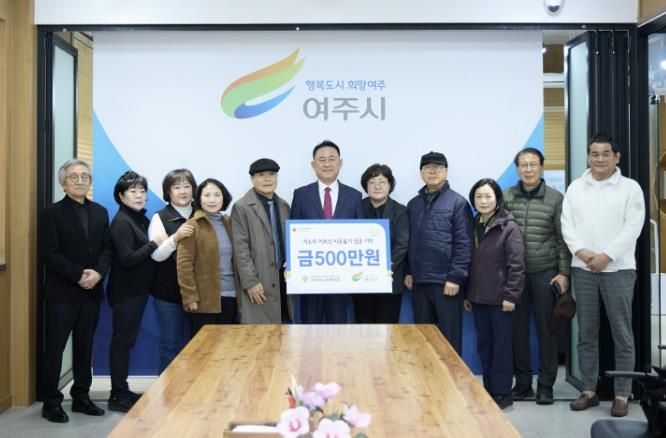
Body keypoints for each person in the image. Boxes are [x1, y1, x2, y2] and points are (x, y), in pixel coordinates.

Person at [561, 134, 645, 417]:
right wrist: (584, 254)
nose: (599, 159)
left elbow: (633, 228)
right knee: (586, 333)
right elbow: (567, 225)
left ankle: (622, 393)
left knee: (622, 333)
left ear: (616, 157)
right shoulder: (576, 188)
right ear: (588, 157)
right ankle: (589, 391)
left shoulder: (630, 188)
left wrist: (606, 256)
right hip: (583, 269)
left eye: (606, 153)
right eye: (594, 154)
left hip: (618, 269)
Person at [38, 159, 111, 423]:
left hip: (91, 293)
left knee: (84, 347)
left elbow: (107, 249)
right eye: (73, 177)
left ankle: (81, 397)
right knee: (54, 349)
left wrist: (98, 273)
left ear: (90, 181)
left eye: (84, 176)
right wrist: (79, 275)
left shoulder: (101, 212)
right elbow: (48, 254)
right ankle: (51, 402)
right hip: (62, 294)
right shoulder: (51, 213)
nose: (80, 181)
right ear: (63, 183)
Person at [503, 147, 571, 405]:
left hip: (546, 272)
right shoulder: (507, 196)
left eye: (533, 164)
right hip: (515, 275)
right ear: (517, 169)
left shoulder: (555, 198)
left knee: (546, 331)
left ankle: (545, 385)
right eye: (523, 165)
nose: (528, 169)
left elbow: (562, 239)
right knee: (517, 332)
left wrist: (563, 273)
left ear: (541, 167)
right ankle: (522, 384)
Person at [107, 170, 167, 413]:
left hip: (137, 292)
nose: (139, 195)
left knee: (126, 341)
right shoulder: (122, 222)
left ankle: (122, 389)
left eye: (142, 190)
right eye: (133, 191)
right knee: (121, 343)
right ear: (121, 196)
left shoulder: (138, 218)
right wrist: (154, 244)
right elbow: (128, 259)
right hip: (126, 294)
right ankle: (117, 394)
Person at [404, 151, 473, 354]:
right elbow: (409, 242)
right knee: (423, 340)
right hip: (419, 282)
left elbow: (464, 244)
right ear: (421, 173)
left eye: (437, 167)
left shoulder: (458, 202)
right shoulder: (413, 204)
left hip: (447, 283)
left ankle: (451, 376)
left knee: (449, 341)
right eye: (427, 167)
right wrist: (408, 271)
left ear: (446, 171)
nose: (432, 171)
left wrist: (455, 278)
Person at [465, 178, 525, 410]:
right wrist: (468, 294)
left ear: (497, 199)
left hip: (501, 299)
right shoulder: (473, 224)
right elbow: (470, 263)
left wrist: (511, 296)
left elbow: (517, 265)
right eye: (479, 196)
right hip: (479, 297)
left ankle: (503, 393)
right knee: (485, 346)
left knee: (501, 347)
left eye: (488, 196)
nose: (483, 201)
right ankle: (489, 390)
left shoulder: (508, 226)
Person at [290, 140, 363, 323]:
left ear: (340, 163)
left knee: (338, 328)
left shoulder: (354, 196)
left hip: (342, 277)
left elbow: (360, 235)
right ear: (313, 165)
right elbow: (293, 234)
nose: (327, 164)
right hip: (309, 277)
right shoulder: (301, 194)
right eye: (322, 160)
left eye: (332, 159)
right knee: (309, 328)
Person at [231, 158, 293, 323]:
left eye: (272, 174)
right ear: (252, 179)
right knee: (259, 333)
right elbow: (240, 249)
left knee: (285, 329)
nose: (267, 179)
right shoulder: (242, 207)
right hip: (259, 279)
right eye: (261, 175)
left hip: (284, 280)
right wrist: (250, 281)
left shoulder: (284, 206)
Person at [148, 169, 196, 373]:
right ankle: (168, 391)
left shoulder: (203, 213)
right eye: (177, 187)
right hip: (168, 293)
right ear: (168, 192)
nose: (182, 191)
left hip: (199, 293)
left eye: (187, 186)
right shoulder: (160, 217)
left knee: (201, 344)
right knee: (170, 344)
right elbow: (156, 256)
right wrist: (176, 238)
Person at [177, 178, 239, 337]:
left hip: (231, 296)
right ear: (199, 199)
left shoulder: (229, 222)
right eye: (207, 195)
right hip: (203, 300)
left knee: (227, 346)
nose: (212, 200)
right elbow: (184, 265)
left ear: (224, 198)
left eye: (217, 195)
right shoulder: (193, 225)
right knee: (203, 348)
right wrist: (190, 297)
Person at [352, 163, 409, 323]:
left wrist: (383, 268)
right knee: (363, 328)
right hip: (361, 280)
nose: (377, 186)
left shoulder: (400, 211)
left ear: (390, 185)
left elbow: (402, 244)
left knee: (388, 329)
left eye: (382, 182)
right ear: (366, 186)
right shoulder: (356, 208)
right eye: (372, 182)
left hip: (390, 279)